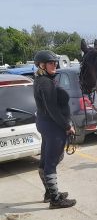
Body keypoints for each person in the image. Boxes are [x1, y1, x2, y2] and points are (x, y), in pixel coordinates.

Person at [33, 50, 77, 209]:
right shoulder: (45, 82)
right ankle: (55, 200)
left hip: (46, 124)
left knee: (45, 160)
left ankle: (49, 193)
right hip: (52, 126)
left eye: (55, 62)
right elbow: (52, 108)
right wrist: (67, 125)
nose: (55, 65)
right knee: (52, 161)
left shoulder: (40, 80)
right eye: (51, 62)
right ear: (42, 65)